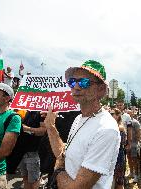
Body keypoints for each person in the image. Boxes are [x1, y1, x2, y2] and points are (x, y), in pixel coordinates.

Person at [44, 60, 121, 189]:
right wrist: (50, 126)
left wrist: (58, 170)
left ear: (101, 90)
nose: (76, 87)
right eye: (72, 82)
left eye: (84, 82)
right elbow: (65, 153)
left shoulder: (106, 129)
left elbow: (76, 187)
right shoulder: (78, 118)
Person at [17, 110, 46, 189]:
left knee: (34, 182)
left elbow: (43, 131)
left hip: (33, 152)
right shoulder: (23, 110)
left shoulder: (40, 112)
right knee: (25, 178)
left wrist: (27, 129)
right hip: (21, 151)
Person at [111, 108, 126, 189]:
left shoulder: (119, 127)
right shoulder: (113, 125)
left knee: (119, 180)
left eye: (112, 114)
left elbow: (122, 143)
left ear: (118, 116)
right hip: (112, 155)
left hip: (118, 155)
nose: (110, 115)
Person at [126, 110, 141, 183]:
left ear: (132, 114)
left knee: (135, 160)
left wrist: (136, 144)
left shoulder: (135, 122)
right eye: (127, 113)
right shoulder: (126, 122)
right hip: (128, 144)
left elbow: (138, 133)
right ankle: (131, 173)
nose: (128, 115)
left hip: (134, 144)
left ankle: (136, 176)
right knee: (129, 158)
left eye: (129, 113)